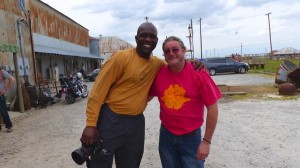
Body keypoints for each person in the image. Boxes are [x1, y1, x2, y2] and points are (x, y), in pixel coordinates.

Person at [80, 22, 202, 168]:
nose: (148, 40)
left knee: (130, 163)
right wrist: (91, 124)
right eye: (143, 35)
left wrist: (192, 63)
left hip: (136, 123)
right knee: (99, 162)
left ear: (157, 41)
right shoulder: (120, 58)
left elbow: (175, 62)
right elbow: (97, 92)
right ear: (136, 38)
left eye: (152, 37)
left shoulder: (157, 64)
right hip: (110, 119)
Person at [148, 36, 222, 168]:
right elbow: (146, 96)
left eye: (175, 49)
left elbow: (212, 108)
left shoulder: (198, 73)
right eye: (167, 51)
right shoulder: (159, 74)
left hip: (191, 137)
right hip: (166, 135)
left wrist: (206, 142)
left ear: (184, 50)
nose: (171, 53)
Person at [0, 67, 15, 133]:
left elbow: (12, 79)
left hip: (0, 94)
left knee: (3, 111)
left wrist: (5, 89)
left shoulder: (2, 72)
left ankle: (9, 126)